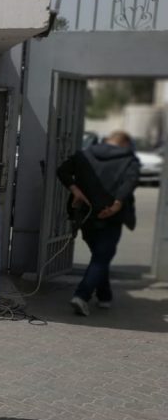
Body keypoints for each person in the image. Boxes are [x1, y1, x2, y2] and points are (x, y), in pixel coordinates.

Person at [56, 130, 140, 317]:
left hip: (86, 214)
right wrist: (116, 205)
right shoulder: (129, 160)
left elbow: (62, 171)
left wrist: (75, 191)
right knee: (102, 257)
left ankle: (104, 296)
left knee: (100, 256)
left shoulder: (84, 155)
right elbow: (130, 182)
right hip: (111, 216)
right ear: (125, 144)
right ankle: (82, 295)